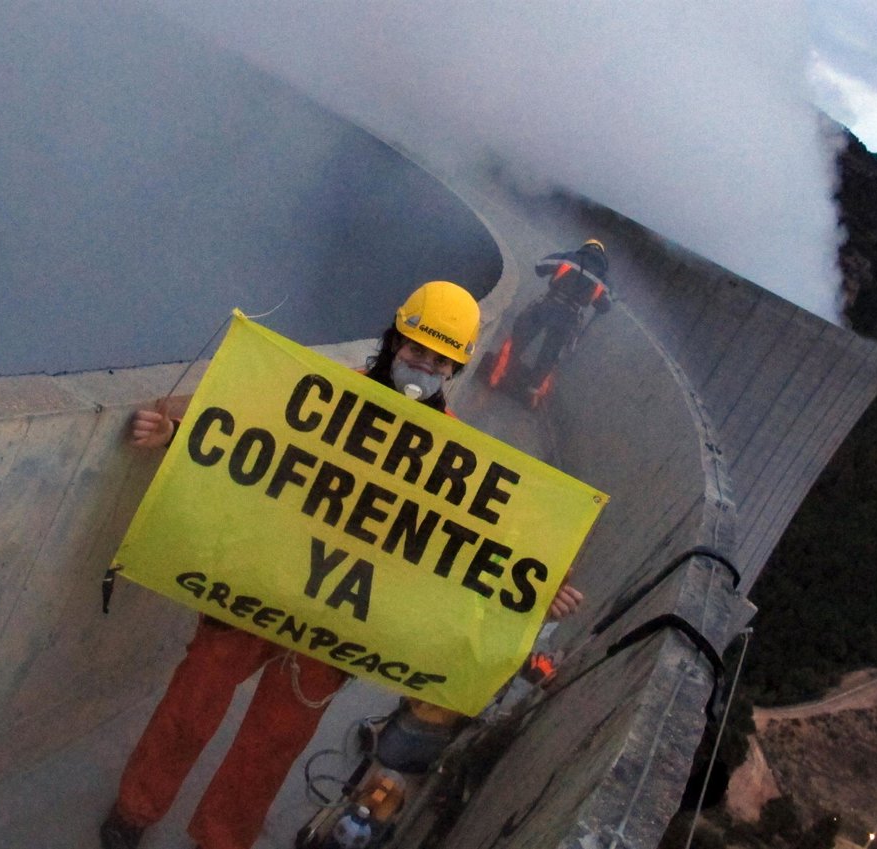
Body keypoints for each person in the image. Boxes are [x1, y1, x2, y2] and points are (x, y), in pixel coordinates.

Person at [101, 281, 582, 849]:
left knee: (272, 746)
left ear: (455, 367)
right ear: (396, 339)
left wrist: (538, 592)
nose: (424, 366)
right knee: (191, 702)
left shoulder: (452, 455)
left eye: (439, 360)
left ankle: (220, 840)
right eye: (417, 349)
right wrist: (175, 436)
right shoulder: (322, 395)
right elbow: (243, 443)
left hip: (335, 624)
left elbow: (466, 546)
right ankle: (135, 809)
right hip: (259, 584)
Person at [494, 238, 612, 399]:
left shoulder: (569, 257)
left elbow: (540, 266)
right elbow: (605, 306)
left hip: (548, 305)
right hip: (570, 316)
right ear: (602, 256)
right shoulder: (603, 278)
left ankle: (498, 373)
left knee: (521, 336)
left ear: (585, 247)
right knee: (550, 354)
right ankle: (531, 392)